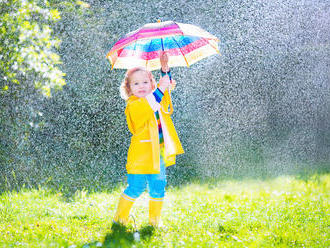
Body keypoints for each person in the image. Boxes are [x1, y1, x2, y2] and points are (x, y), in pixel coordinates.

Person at [113, 52, 184, 227]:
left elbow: (163, 99)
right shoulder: (133, 105)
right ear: (129, 88)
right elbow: (152, 102)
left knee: (158, 186)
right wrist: (161, 88)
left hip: (158, 153)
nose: (141, 86)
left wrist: (165, 69)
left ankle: (154, 222)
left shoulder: (155, 96)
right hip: (141, 156)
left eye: (145, 82)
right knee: (136, 187)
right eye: (136, 83)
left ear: (151, 83)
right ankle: (119, 219)